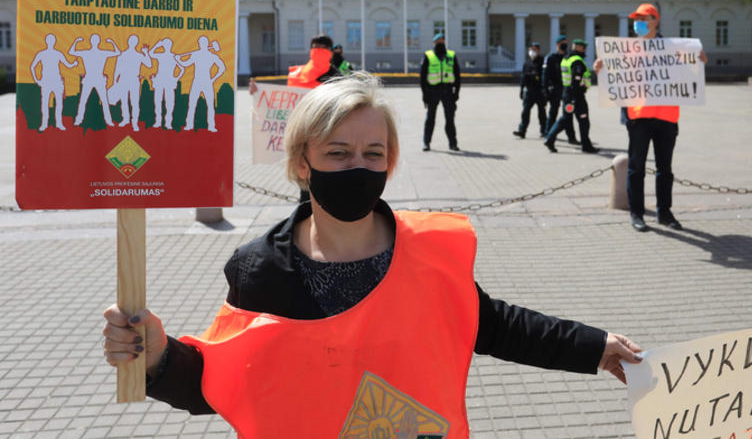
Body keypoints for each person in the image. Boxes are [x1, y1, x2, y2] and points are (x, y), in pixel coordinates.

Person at [101, 73, 644, 438]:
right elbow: (224, 379)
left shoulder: (430, 251)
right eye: (337, 152)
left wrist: (592, 346)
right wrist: (156, 357)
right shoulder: (261, 269)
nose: (357, 166)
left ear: (390, 162)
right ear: (301, 163)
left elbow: (493, 324)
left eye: (373, 153)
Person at [594, 3, 707, 232]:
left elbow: (696, 66)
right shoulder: (626, 49)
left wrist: (699, 56)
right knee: (636, 167)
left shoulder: (672, 48)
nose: (638, 23)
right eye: (636, 19)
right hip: (638, 117)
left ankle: (664, 213)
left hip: (666, 117)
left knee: (665, 168)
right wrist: (599, 68)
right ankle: (637, 214)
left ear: (655, 21)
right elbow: (612, 73)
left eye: (643, 19)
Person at [544, 39, 599, 154]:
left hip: (567, 93)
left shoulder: (566, 58)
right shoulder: (577, 61)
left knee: (566, 118)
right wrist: (574, 98)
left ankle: (551, 138)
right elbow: (576, 80)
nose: (585, 51)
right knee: (582, 120)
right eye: (584, 48)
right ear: (579, 48)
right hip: (576, 95)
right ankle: (585, 145)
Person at [420, 33, 460, 152]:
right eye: (438, 41)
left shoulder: (451, 56)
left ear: (445, 42)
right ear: (434, 43)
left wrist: (456, 92)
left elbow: (457, 76)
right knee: (430, 118)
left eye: (442, 40)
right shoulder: (428, 55)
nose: (440, 42)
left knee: (450, 118)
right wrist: (424, 93)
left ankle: (453, 143)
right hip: (433, 91)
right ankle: (426, 143)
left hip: (447, 91)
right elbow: (422, 77)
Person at [29, 34, 78, 131]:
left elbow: (68, 65)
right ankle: (45, 123)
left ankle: (57, 123)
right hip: (47, 81)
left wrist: (37, 80)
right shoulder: (45, 54)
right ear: (50, 42)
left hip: (55, 81)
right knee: (47, 103)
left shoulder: (54, 54)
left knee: (57, 103)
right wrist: (37, 80)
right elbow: (32, 66)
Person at [179, 36, 226, 133]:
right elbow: (186, 64)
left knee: (207, 105)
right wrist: (178, 60)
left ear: (203, 44)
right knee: (194, 104)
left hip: (205, 82)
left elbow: (222, 67)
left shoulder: (209, 55)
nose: (199, 44)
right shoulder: (201, 55)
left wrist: (178, 60)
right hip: (199, 82)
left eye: (200, 43)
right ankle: (190, 125)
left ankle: (210, 126)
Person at [543, 35, 578, 145]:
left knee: (568, 113)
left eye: (565, 42)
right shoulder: (551, 58)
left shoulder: (568, 57)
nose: (564, 44)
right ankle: (548, 135)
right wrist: (545, 90)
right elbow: (545, 75)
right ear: (557, 44)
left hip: (566, 89)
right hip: (555, 89)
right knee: (553, 113)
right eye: (562, 43)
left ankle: (571, 137)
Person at [513, 42, 547, 139]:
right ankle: (522, 130)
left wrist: (546, 90)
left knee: (541, 112)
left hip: (539, 91)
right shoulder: (527, 63)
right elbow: (523, 77)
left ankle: (544, 130)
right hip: (529, 91)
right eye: (530, 49)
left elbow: (546, 77)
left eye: (534, 49)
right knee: (525, 111)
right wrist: (521, 89)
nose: (532, 51)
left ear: (539, 50)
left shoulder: (542, 62)